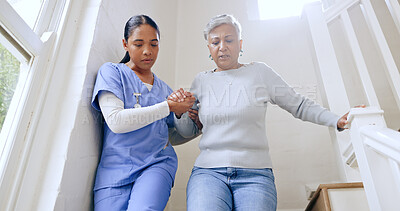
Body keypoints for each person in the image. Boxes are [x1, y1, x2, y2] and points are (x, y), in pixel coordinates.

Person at [169, 14, 350, 211]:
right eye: (215, 42)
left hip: (255, 175)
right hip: (208, 173)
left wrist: (336, 119)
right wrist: (179, 113)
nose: (222, 46)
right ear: (209, 48)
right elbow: (188, 130)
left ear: (240, 43)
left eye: (229, 40)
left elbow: (299, 105)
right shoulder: (201, 81)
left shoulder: (260, 73)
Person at [91, 15, 195, 211]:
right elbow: (116, 121)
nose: (148, 51)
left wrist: (186, 116)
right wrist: (169, 107)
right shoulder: (112, 72)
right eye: (138, 44)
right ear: (125, 44)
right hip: (114, 172)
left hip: (156, 164)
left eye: (154, 44)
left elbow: (171, 136)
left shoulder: (165, 90)